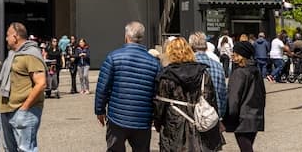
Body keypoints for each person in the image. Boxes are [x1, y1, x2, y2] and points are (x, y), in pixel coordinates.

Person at [94, 21, 161, 152]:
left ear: (126, 36)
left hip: (117, 116)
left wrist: (99, 110)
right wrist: (156, 116)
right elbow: (157, 93)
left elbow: (103, 87)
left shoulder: (113, 57)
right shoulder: (154, 63)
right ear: (141, 38)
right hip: (143, 118)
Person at [153, 37, 223, 151]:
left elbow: (160, 106)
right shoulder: (203, 73)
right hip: (201, 127)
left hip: (174, 129)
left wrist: (157, 123)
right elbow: (210, 99)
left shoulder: (166, 77)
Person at [0, 22, 46, 152]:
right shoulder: (13, 55)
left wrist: (24, 108)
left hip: (23, 111)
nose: (6, 38)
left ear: (15, 36)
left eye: (8, 35)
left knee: (25, 149)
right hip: (7, 110)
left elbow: (41, 84)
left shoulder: (31, 54)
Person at [223, 41, 265, 152]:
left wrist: (229, 117)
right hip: (255, 116)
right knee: (247, 147)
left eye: (235, 54)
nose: (233, 56)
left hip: (242, 118)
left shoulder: (239, 73)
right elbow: (262, 95)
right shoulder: (256, 71)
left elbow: (233, 99)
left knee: (246, 148)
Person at [189, 32, 227, 118]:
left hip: (193, 116)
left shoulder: (187, 65)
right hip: (213, 116)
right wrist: (220, 115)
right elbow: (222, 94)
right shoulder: (217, 66)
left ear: (191, 47)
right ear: (206, 46)